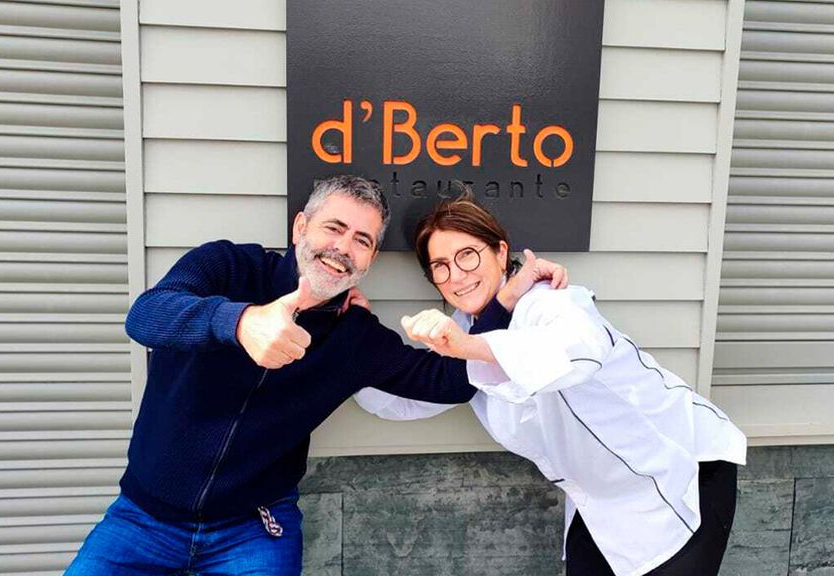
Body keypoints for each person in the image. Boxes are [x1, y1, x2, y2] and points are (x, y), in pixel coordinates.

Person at [65, 175, 567, 575]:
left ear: (369, 260)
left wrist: (503, 302)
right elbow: (146, 316)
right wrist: (239, 322)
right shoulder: (228, 266)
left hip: (255, 530)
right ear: (300, 227)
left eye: (362, 239)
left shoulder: (355, 337)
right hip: (143, 519)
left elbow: (452, 381)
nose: (343, 246)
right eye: (333, 227)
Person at [355, 193, 748, 576]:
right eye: (440, 265)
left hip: (681, 471)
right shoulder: (465, 327)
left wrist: (474, 347)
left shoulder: (550, 301)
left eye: (468, 255)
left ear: (498, 251)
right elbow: (410, 397)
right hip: (603, 498)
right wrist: (350, 344)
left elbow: (579, 348)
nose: (457, 275)